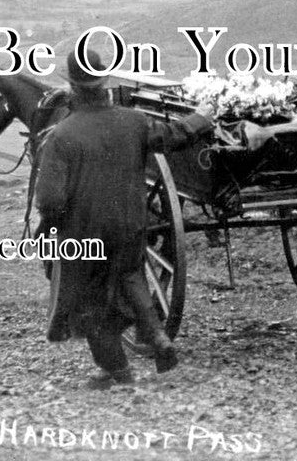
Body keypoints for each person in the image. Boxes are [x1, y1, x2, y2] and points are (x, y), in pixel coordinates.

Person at [34, 48, 214, 388]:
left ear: (72, 86)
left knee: (89, 303)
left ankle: (117, 371)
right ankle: (158, 338)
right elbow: (172, 136)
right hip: (131, 223)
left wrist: (56, 224)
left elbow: (49, 199)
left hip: (85, 234)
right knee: (132, 277)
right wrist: (201, 117)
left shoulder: (61, 135)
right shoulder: (134, 121)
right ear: (105, 81)